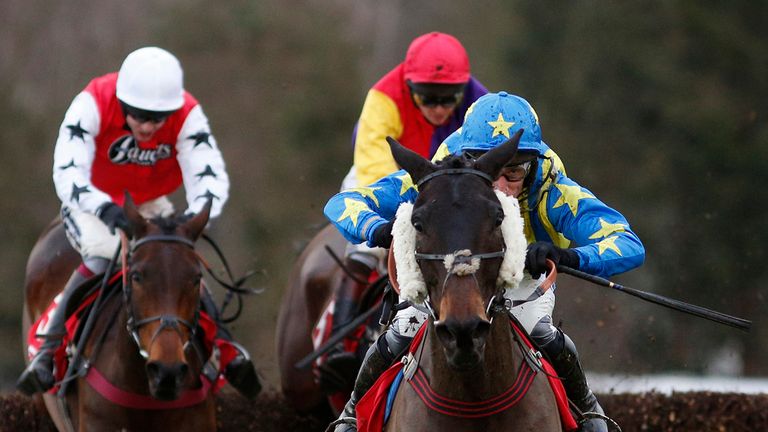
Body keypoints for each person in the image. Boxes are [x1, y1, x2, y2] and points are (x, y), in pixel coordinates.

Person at [323, 92, 645, 432]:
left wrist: (570, 256)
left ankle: (591, 414)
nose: (502, 187)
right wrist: (376, 228)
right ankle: (351, 414)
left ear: (533, 165)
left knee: (541, 331)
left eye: (515, 171)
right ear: (468, 158)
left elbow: (627, 243)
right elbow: (343, 203)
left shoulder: (553, 192)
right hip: (447, 277)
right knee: (402, 330)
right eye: (489, 171)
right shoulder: (440, 178)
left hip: (520, 279)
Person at [16, 46, 260, 399]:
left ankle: (225, 348)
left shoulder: (188, 113)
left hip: (150, 203)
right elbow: (68, 171)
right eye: (139, 116)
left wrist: (192, 217)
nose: (148, 127)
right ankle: (48, 352)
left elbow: (208, 177)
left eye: (158, 119)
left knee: (175, 262)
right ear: (121, 102)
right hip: (93, 199)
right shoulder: (91, 102)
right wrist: (105, 209)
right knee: (104, 254)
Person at [327, 32, 488, 375]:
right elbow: (375, 170)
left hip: (451, 189)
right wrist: (417, 213)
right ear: (408, 84)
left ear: (464, 88)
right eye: (428, 98)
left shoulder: (481, 102)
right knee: (366, 248)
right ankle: (340, 341)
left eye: (449, 98)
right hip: (389, 179)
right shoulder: (382, 98)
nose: (440, 109)